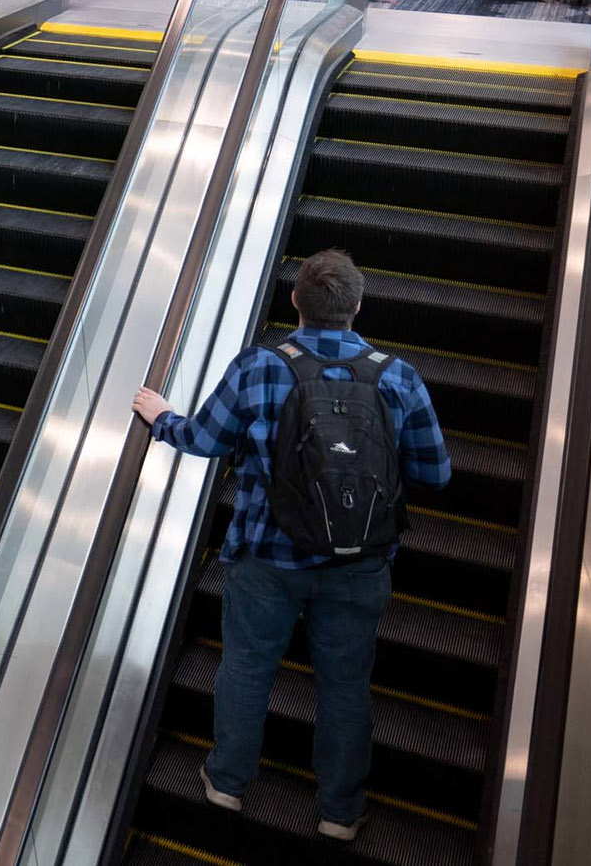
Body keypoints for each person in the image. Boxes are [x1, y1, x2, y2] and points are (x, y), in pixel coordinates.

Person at [132, 247, 450, 842]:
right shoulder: (398, 376)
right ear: (357, 306)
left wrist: (162, 418)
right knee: (345, 682)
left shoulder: (259, 367)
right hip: (360, 564)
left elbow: (203, 439)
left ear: (296, 300)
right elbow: (434, 474)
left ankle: (225, 783)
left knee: (248, 665)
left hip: (269, 557)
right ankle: (339, 812)